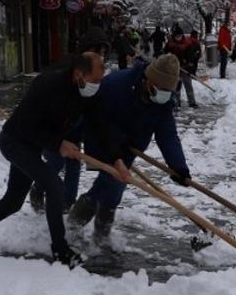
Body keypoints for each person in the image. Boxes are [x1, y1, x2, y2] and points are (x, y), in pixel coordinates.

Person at [0, 52, 128, 268]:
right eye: (96, 80)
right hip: (15, 141)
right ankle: (61, 251)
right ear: (78, 74)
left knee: (13, 202)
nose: (98, 85)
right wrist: (58, 144)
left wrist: (117, 158)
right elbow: (24, 127)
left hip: (33, 146)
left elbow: (100, 125)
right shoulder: (48, 85)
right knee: (53, 185)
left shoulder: (85, 91)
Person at [69, 54, 191, 242]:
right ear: (149, 81)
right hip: (103, 137)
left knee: (114, 189)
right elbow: (98, 118)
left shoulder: (163, 102)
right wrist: (116, 144)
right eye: (162, 89)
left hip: (129, 146)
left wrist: (178, 167)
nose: (165, 94)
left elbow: (167, 136)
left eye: (169, 90)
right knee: (108, 182)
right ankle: (71, 230)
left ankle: (100, 237)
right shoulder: (116, 85)